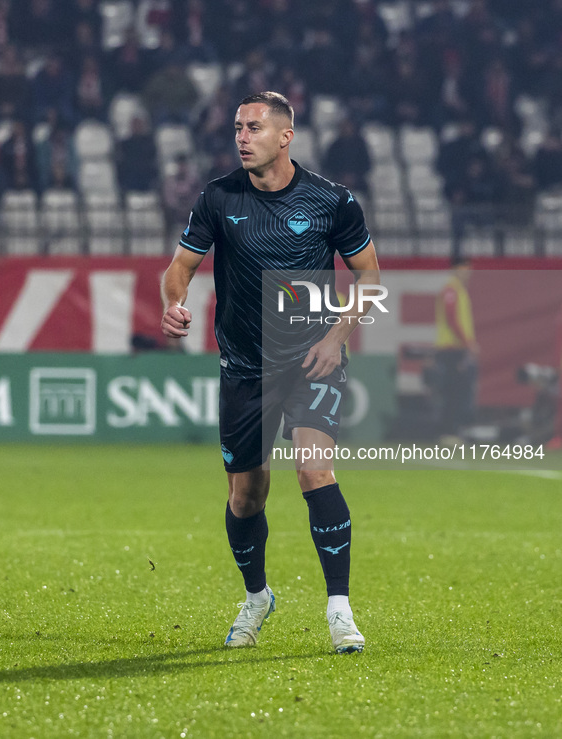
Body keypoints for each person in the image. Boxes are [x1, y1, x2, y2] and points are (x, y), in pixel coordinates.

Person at [160, 91, 380, 654]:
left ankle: (340, 610)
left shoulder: (332, 201)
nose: (241, 136)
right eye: (237, 127)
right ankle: (257, 596)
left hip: (313, 360)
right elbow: (180, 266)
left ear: (285, 136)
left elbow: (370, 278)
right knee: (246, 498)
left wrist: (336, 338)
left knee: (314, 470)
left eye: (253, 127)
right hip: (243, 368)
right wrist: (174, 301)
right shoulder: (218, 197)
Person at [434, 256, 478, 443]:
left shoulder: (459, 290)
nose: (468, 274)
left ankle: (453, 430)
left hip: (456, 348)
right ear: (456, 269)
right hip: (451, 349)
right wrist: (468, 343)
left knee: (458, 390)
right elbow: (452, 318)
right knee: (453, 390)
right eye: (465, 269)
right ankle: (448, 431)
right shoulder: (452, 289)